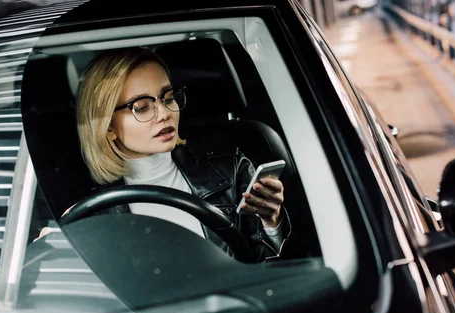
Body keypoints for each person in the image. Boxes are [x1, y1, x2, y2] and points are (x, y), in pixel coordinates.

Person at [75, 46, 293, 262]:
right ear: (108, 126)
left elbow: (271, 273)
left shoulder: (232, 169)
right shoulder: (94, 216)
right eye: (141, 107)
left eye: (168, 98)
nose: (164, 114)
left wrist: (271, 221)